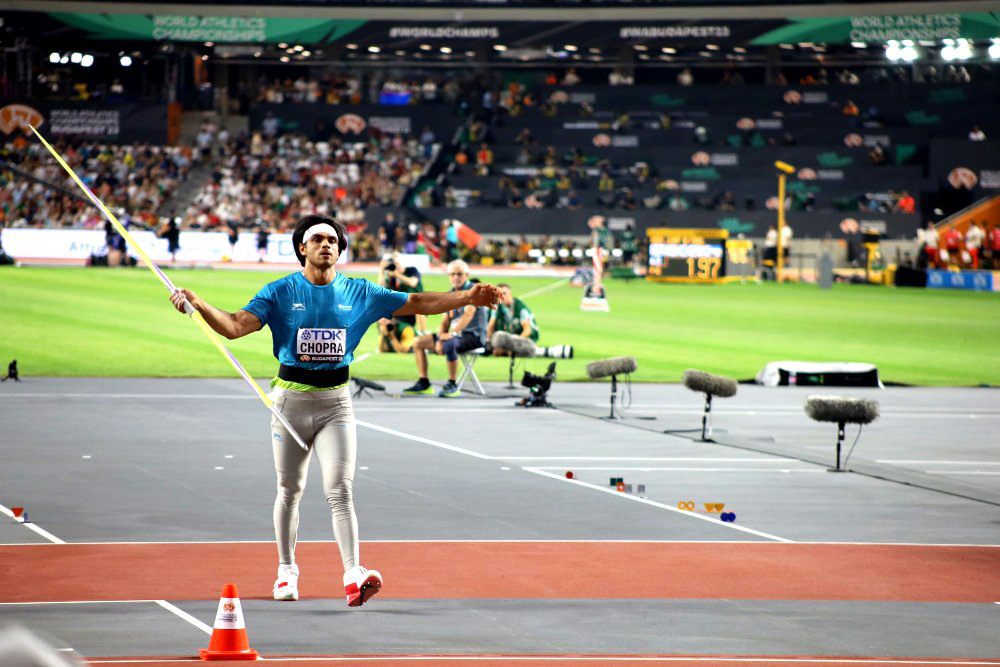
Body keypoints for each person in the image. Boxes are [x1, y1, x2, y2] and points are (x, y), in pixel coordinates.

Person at [168, 215, 500, 606]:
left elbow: (415, 302)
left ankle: (352, 573)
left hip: (336, 403)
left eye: (333, 240)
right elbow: (236, 326)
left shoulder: (360, 292)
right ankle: (286, 571)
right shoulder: (279, 291)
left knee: (340, 490)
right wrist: (198, 303)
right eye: (318, 239)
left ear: (340, 250)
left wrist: (466, 297)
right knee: (289, 490)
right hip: (290, 402)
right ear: (301, 249)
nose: (326, 244)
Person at [403, 259, 489, 397]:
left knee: (448, 344)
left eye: (460, 274)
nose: (456, 277)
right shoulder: (450, 294)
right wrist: (441, 336)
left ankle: (452, 384)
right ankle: (424, 382)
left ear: (466, 275)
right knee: (418, 342)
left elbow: (468, 313)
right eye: (453, 274)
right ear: (449, 276)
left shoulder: (474, 291)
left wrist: (450, 334)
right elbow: (445, 320)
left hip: (474, 336)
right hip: (457, 335)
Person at [486, 284, 574, 359]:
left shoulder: (520, 308)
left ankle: (516, 351)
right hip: (510, 338)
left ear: (510, 293)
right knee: (497, 343)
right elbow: (490, 326)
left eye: (504, 293)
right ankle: (508, 351)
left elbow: (527, 330)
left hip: (526, 339)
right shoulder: (498, 307)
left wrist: (513, 344)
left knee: (501, 346)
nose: (503, 296)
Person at [377, 251, 426, 334]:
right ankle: (386, 341)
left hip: (416, 306)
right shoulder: (392, 277)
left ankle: (422, 334)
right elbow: (381, 287)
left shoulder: (412, 270)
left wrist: (398, 275)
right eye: (394, 264)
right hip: (401, 308)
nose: (397, 266)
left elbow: (413, 283)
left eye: (397, 263)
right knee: (381, 316)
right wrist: (382, 269)